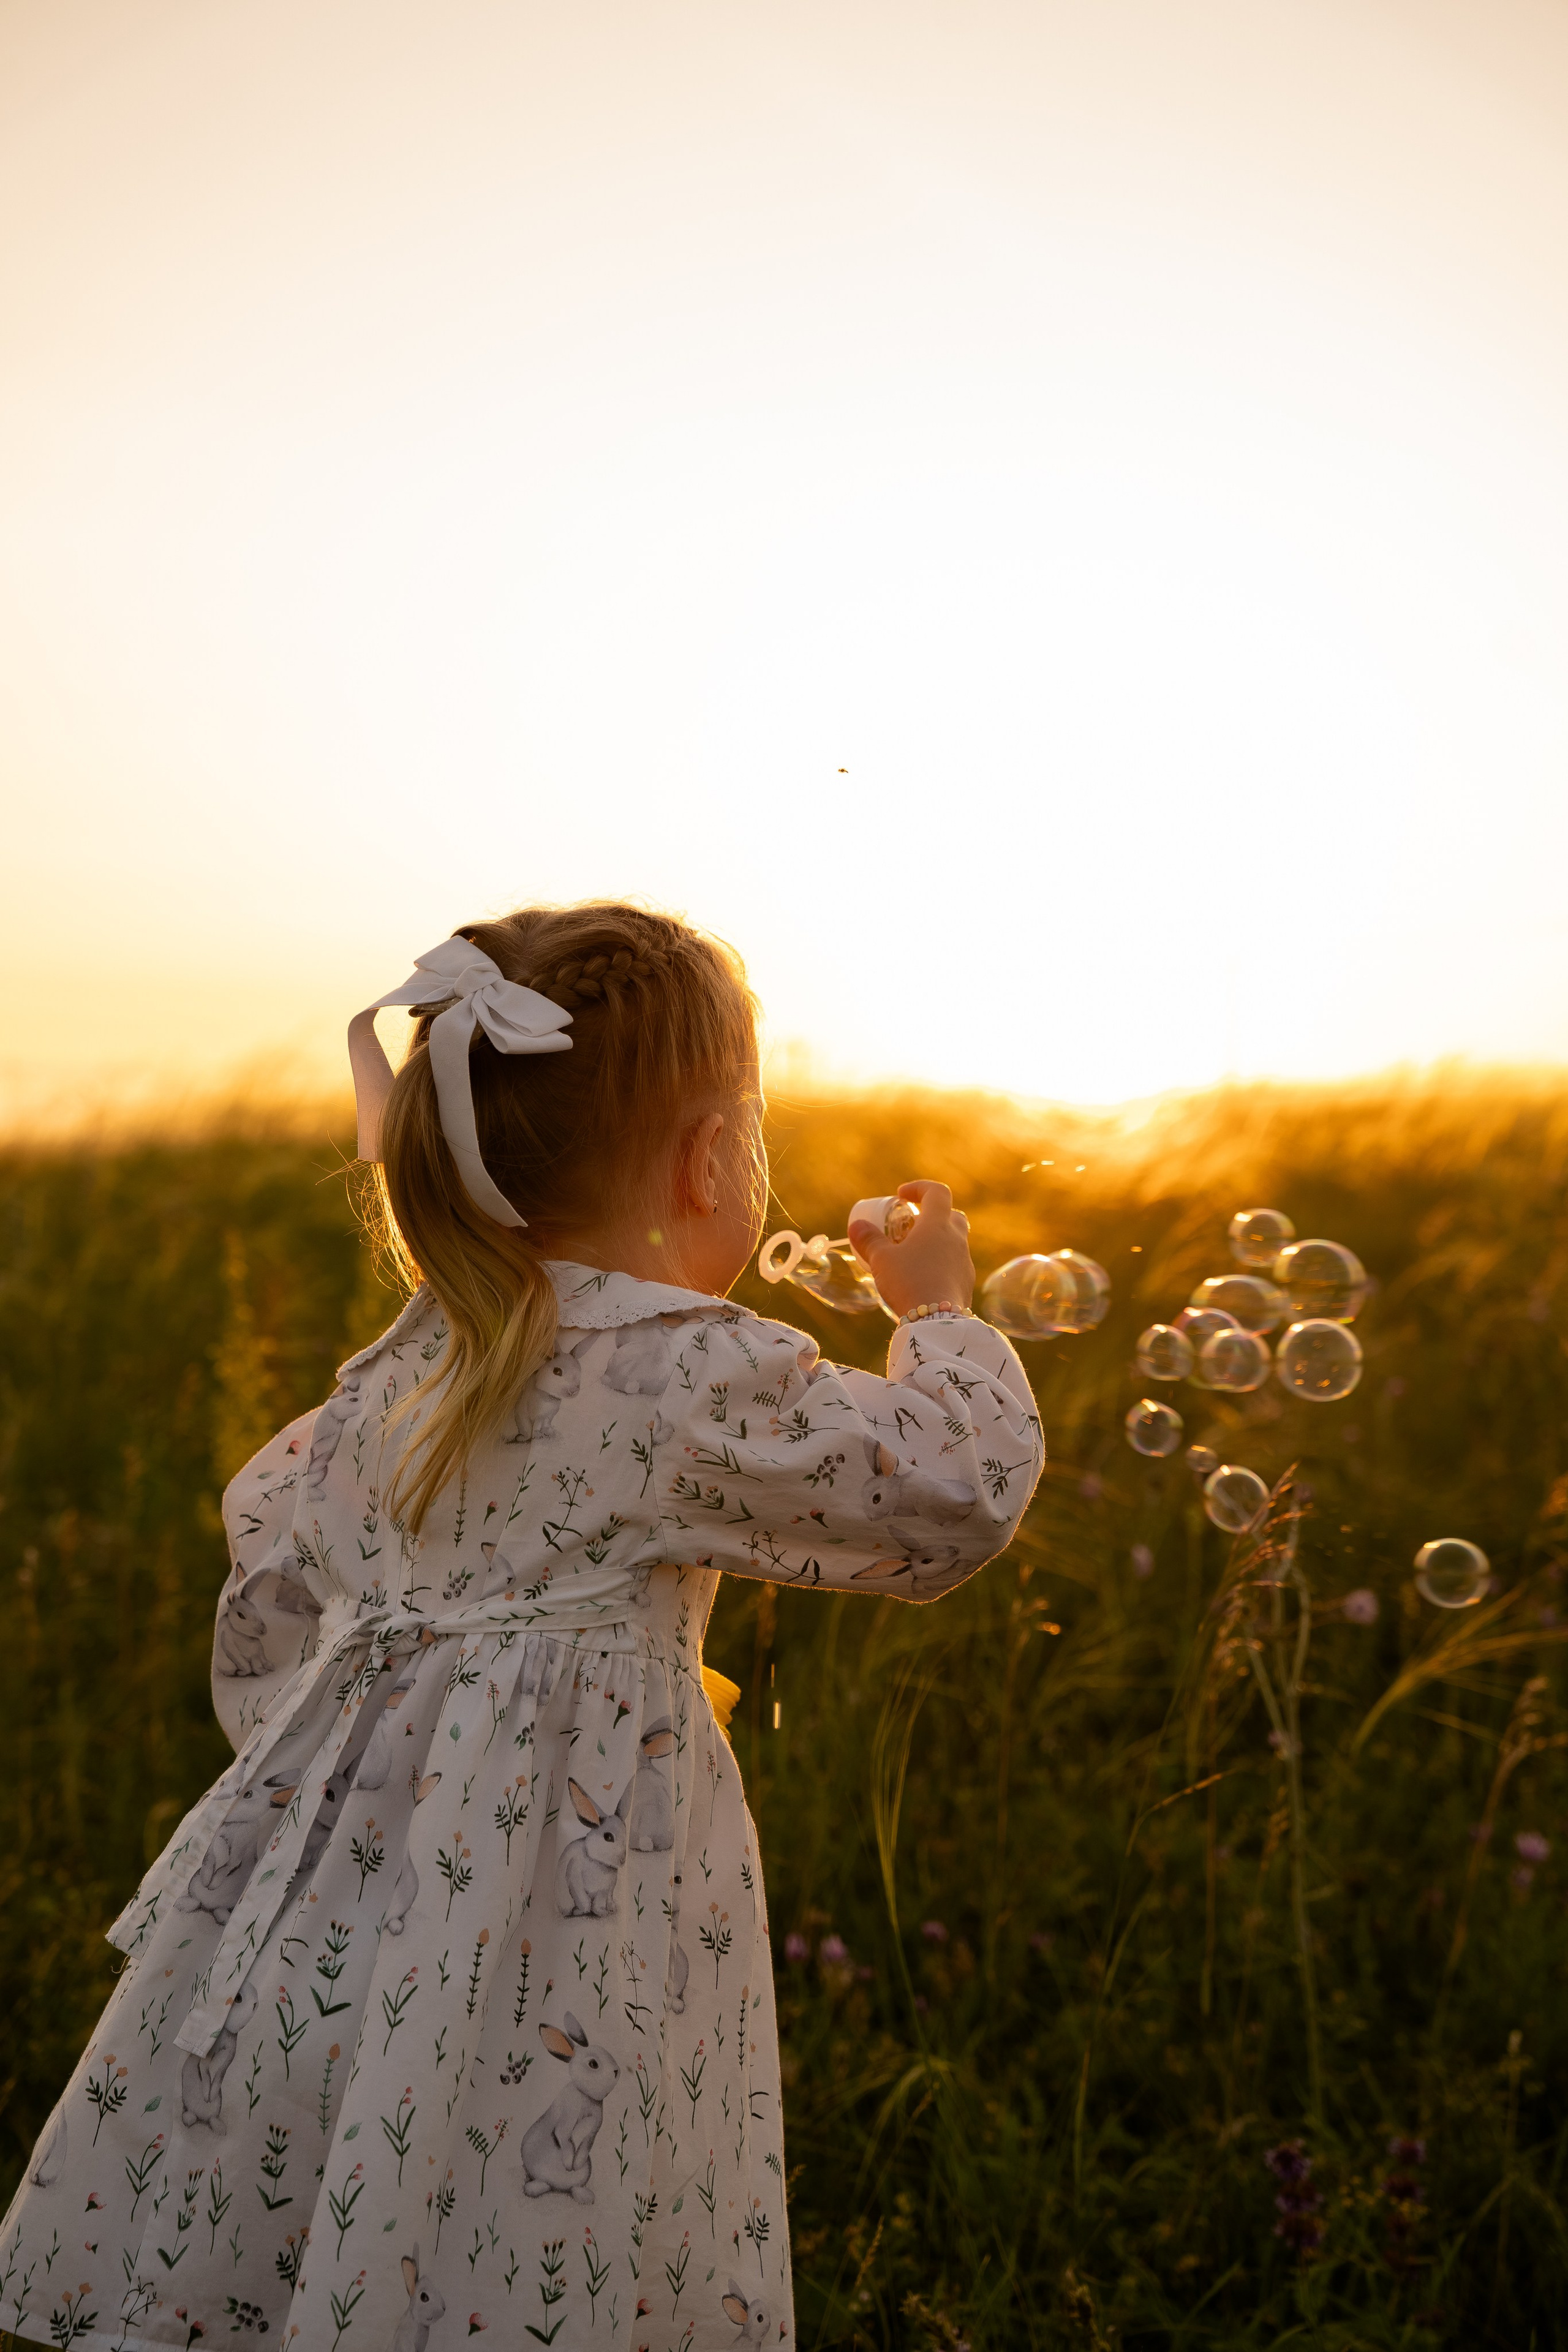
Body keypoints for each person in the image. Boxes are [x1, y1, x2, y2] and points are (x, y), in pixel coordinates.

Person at [0, 903, 1042, 2351]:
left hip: (337, 1913)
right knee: (548, 2203)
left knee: (361, 2168)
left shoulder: (402, 1371)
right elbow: (949, 1493)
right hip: (571, 1925)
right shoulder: (684, 1369)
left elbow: (271, 1598)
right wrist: (935, 1316)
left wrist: (421, 1735)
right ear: (706, 1161)